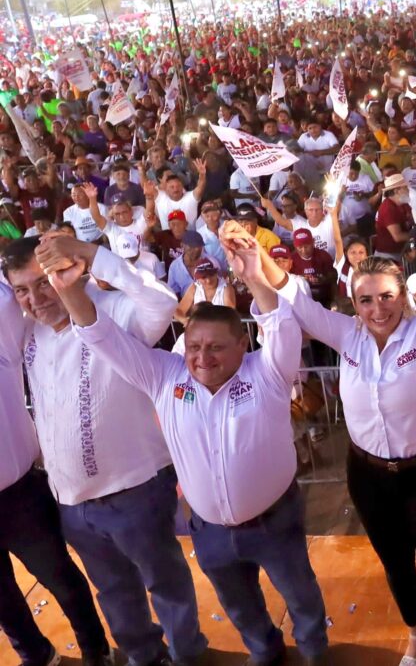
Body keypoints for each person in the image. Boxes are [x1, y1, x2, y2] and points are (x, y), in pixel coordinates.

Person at [45, 227, 330, 666]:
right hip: (210, 530)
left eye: (216, 347)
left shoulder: (269, 373)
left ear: (243, 345)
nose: (202, 357)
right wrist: (70, 290)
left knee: (301, 595)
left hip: (276, 523)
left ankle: (313, 653)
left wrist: (254, 273)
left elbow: (279, 323)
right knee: (239, 605)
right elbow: (102, 337)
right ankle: (265, 652)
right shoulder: (165, 376)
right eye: (194, 346)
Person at [233, 219, 416, 666]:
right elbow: (292, 292)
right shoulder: (343, 334)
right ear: (353, 303)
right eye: (366, 299)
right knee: (393, 560)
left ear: (403, 297)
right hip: (368, 475)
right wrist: (255, 250)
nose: (377, 309)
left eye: (387, 297)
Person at [1, 235, 208, 666]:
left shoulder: (113, 310)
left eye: (44, 282)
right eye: (22, 289)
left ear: (67, 269)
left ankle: (188, 656)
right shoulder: (28, 332)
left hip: (136, 488)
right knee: (114, 593)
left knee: (166, 584)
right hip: (73, 502)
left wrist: (93, 255)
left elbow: (162, 304)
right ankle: (143, 657)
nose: (36, 299)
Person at [0, 282, 112, 666]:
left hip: (17, 495)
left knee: (60, 577)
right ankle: (36, 655)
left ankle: (95, 648)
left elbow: (7, 294)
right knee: (1, 598)